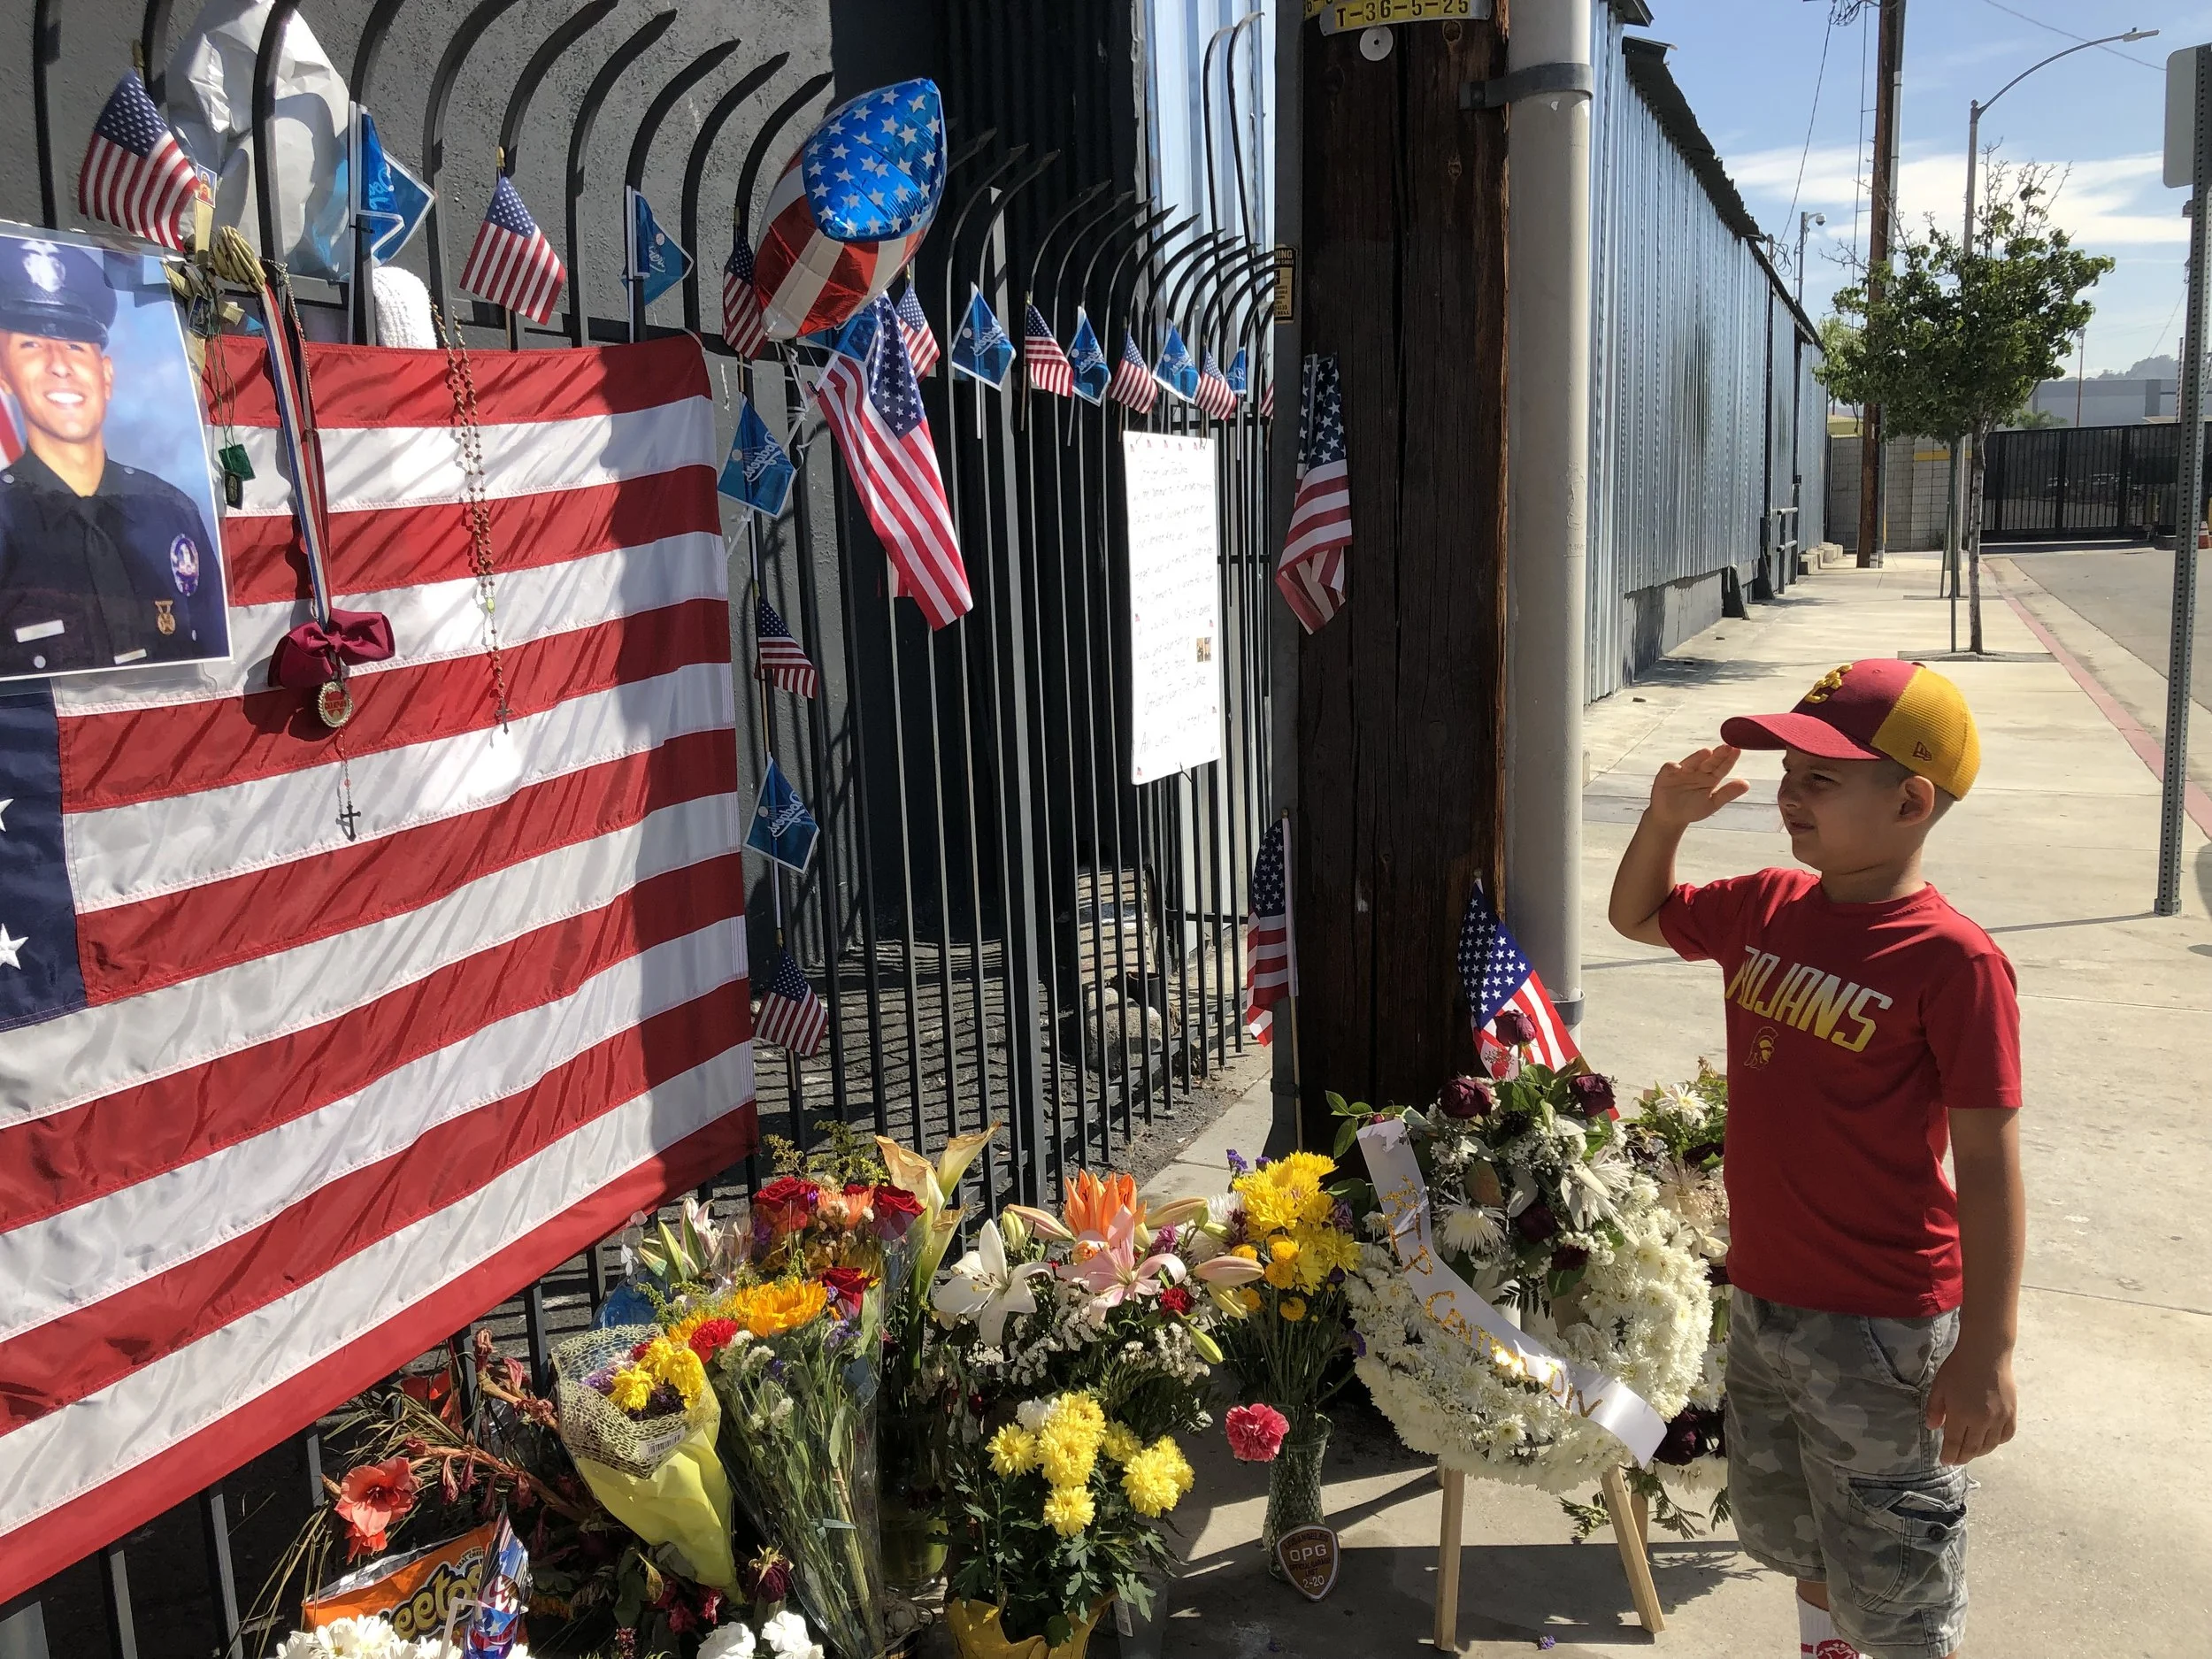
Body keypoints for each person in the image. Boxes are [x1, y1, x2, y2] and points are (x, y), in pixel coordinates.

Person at [1608, 658, 2024, 1659]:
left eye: (1821, 780)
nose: (1788, 795)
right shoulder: (1766, 906)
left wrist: (1987, 1351)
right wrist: (1664, 817)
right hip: (1766, 1301)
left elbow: (1990, 1163)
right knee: (1801, 1538)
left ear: (1911, 800)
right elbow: (1638, 915)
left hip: (1884, 1327)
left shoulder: (1952, 961)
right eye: (1788, 773)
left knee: (1899, 1586)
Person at [0, 235, 222, 679]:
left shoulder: (172, 511)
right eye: (31, 345)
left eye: (76, 346)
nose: (59, 364)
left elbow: (214, 667)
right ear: (4, 375)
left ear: (105, 375)